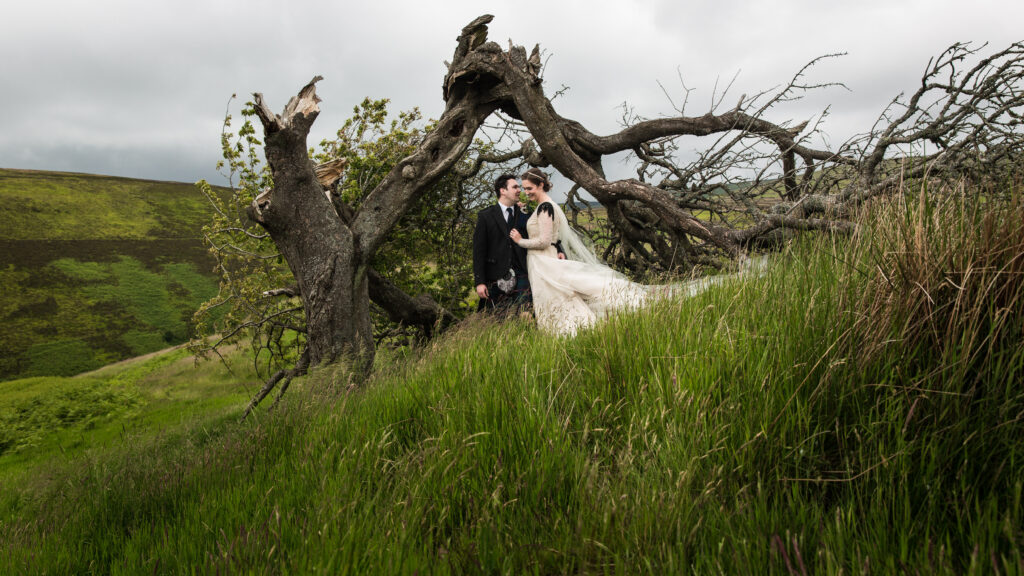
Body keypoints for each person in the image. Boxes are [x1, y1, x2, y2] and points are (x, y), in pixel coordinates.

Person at [509, 168, 652, 336]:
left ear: (540, 185)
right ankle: (567, 331)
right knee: (552, 299)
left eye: (529, 188)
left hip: (544, 261)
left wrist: (520, 241)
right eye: (524, 189)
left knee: (555, 298)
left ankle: (572, 330)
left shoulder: (546, 207)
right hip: (540, 261)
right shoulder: (542, 206)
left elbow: (545, 241)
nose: (526, 192)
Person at [472, 174, 535, 314]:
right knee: (498, 319)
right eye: (515, 187)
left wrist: (558, 248)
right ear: (503, 191)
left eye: (519, 187)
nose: (519, 190)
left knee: (526, 316)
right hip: (495, 275)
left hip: (522, 273)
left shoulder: (525, 213)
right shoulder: (486, 216)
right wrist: (479, 282)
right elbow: (478, 252)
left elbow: (541, 235)